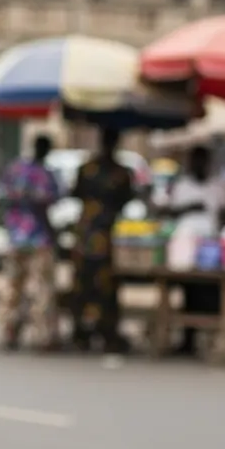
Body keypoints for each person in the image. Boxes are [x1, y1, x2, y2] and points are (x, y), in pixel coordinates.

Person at [69, 127, 133, 353]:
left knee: (87, 285)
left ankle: (85, 332)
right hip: (102, 235)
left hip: (89, 234)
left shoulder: (88, 169)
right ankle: (98, 332)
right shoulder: (119, 173)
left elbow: (74, 193)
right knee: (99, 286)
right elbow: (126, 199)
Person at [159, 145, 225, 355]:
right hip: (185, 247)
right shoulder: (182, 185)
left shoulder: (218, 186)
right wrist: (190, 208)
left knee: (212, 293)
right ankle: (188, 338)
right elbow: (170, 211)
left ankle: (211, 339)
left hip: (211, 247)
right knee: (189, 291)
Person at [0, 135, 61, 350]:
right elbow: (49, 203)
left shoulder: (14, 170)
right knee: (42, 288)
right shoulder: (45, 175)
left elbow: (2, 197)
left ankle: (9, 330)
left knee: (13, 286)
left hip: (15, 236)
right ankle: (41, 336)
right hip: (39, 237)